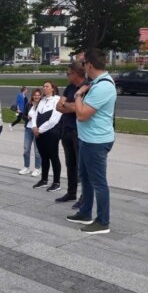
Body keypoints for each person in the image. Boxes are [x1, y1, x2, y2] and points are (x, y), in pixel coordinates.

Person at [67, 48, 117, 234]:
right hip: (88, 139)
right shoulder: (96, 83)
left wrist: (78, 95)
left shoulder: (103, 86)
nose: (83, 68)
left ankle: (103, 221)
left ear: (89, 64)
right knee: (85, 178)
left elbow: (81, 115)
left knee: (98, 182)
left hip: (96, 141)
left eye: (83, 64)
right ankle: (85, 212)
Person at [55, 62, 86, 205]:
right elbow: (58, 107)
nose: (67, 75)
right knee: (70, 164)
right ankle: (71, 192)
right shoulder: (69, 88)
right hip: (66, 129)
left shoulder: (86, 87)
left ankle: (84, 197)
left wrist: (70, 106)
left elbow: (79, 108)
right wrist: (72, 107)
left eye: (68, 73)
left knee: (82, 166)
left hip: (78, 131)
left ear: (75, 73)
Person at [33, 81, 62, 192]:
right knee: (44, 157)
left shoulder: (57, 100)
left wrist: (40, 130)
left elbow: (54, 120)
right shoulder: (42, 100)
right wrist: (34, 127)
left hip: (51, 133)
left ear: (53, 88)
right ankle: (44, 180)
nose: (44, 88)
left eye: (47, 86)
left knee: (53, 157)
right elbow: (35, 114)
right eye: (43, 86)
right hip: (39, 133)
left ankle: (56, 182)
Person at [19, 89, 42, 177]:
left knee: (37, 151)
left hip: (37, 129)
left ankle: (37, 168)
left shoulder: (42, 105)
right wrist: (27, 117)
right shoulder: (28, 104)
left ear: (40, 96)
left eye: (38, 95)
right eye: (35, 95)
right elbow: (23, 116)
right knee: (26, 149)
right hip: (28, 129)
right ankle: (26, 167)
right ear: (32, 96)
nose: (36, 96)